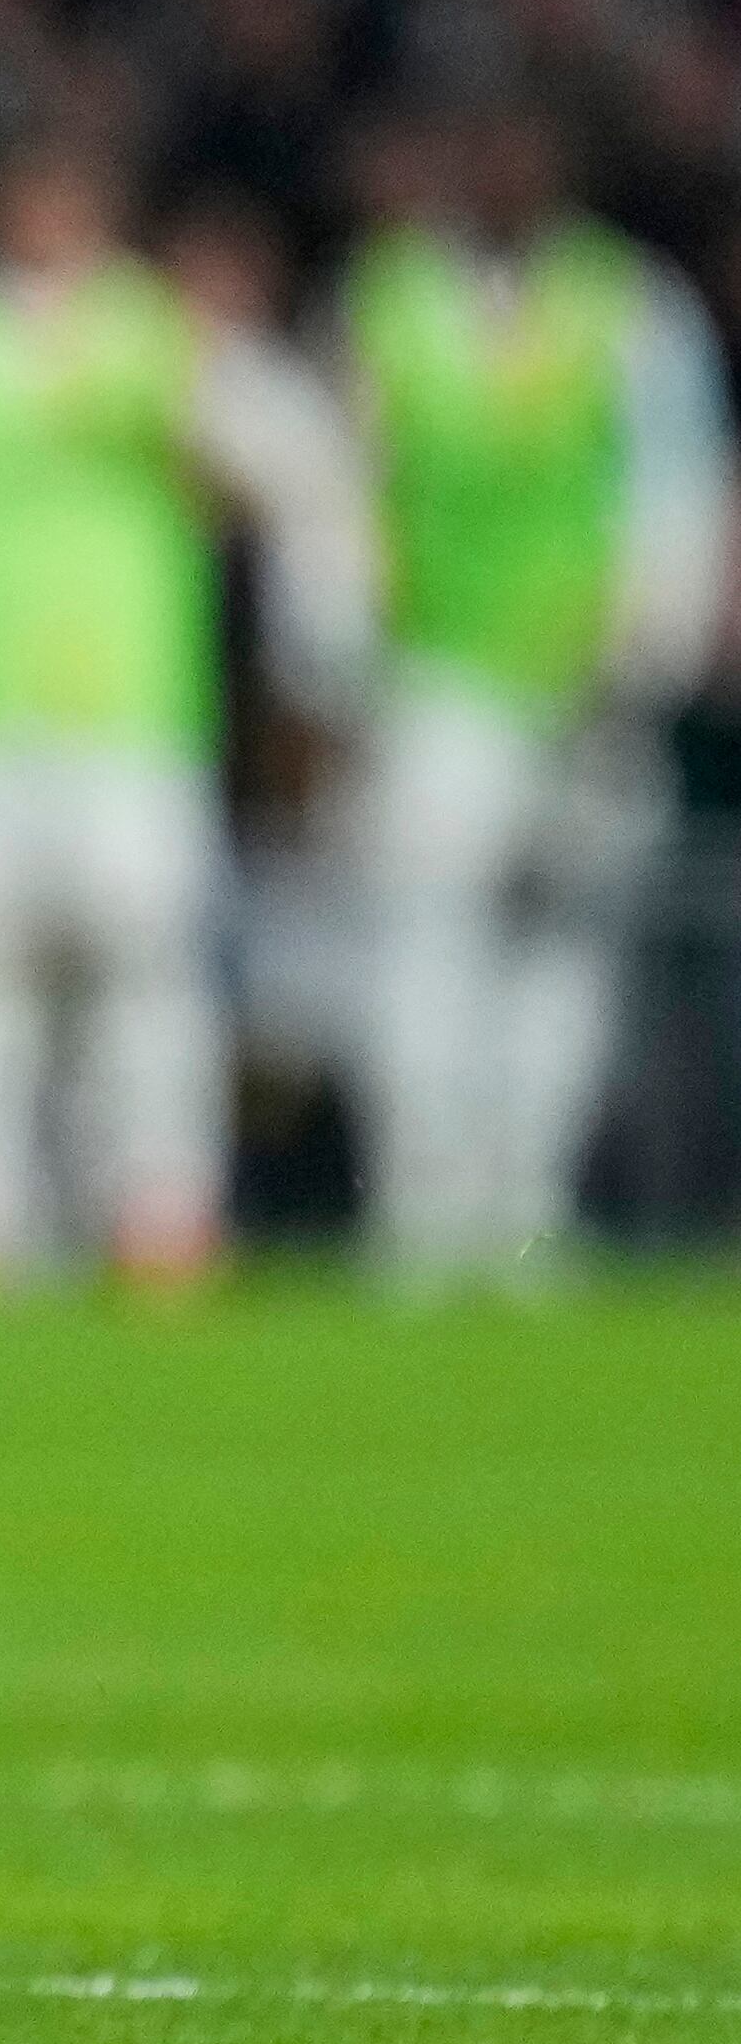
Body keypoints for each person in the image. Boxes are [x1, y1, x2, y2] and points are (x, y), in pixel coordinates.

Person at [0, 125, 368, 1284]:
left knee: (146, 975)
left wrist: (320, 655)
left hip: (130, 712)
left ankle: (160, 1214)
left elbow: (302, 467)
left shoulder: (158, 338)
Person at [338, 94, 730, 1281]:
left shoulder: (629, 307)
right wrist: (339, 657)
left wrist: (647, 649)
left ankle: (525, 1208)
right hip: (435, 675)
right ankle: (417, 1215)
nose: (501, 169)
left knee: (565, 957)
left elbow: (677, 485)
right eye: (482, 147)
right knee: (420, 939)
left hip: (580, 683)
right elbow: (345, 490)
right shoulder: (387, 302)